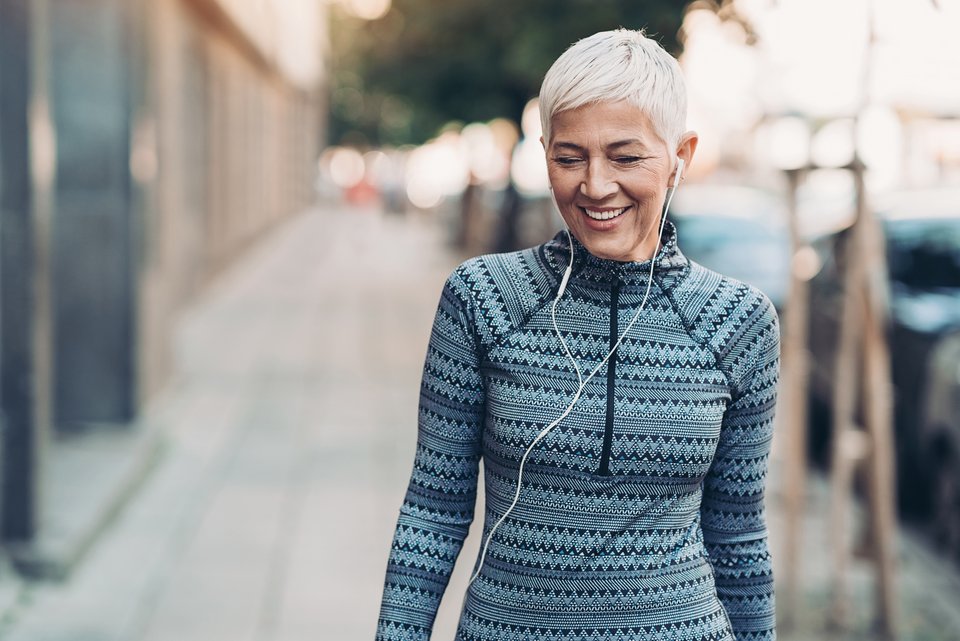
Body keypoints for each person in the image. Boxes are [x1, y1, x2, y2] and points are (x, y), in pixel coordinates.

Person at [376, 28, 779, 641]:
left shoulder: (738, 320)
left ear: (681, 156)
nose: (594, 185)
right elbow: (433, 512)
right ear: (545, 154)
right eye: (569, 157)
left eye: (626, 157)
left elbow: (738, 535)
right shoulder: (483, 298)